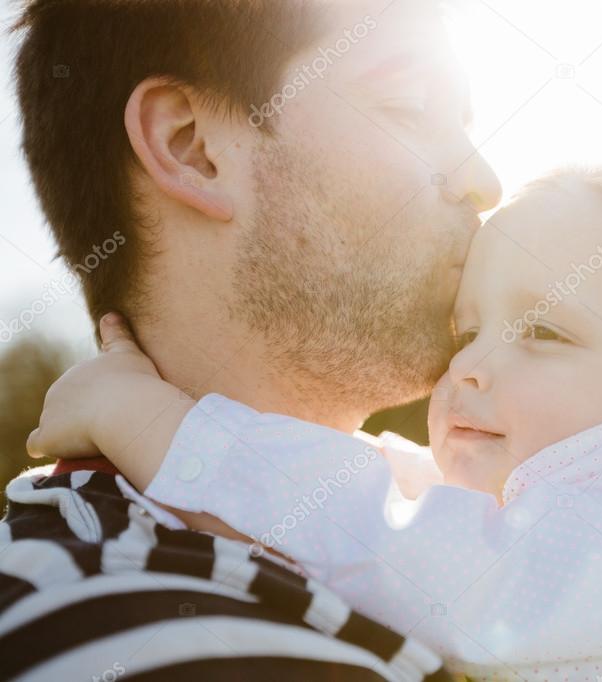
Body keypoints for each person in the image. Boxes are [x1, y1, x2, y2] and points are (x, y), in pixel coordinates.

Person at [31, 167, 602, 680]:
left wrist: (156, 422)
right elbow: (424, 504)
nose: (466, 364)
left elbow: (411, 551)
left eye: (544, 331)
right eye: (467, 329)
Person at [1, 0, 500, 678]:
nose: (483, 184)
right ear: (192, 147)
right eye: (408, 106)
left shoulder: (450, 519)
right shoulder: (126, 631)